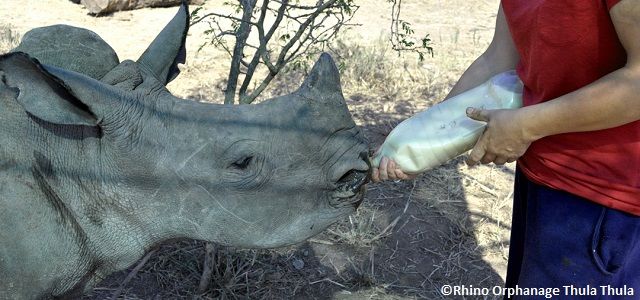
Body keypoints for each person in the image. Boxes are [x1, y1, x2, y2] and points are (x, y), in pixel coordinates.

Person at [372, 0, 640, 297]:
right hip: (542, 173)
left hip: (604, 196)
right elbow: (497, 59)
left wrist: (526, 126)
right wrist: (417, 138)